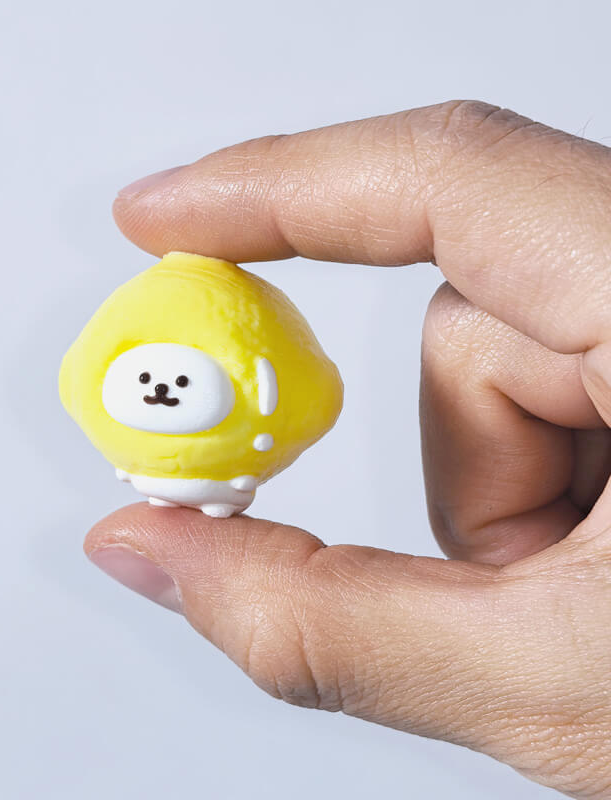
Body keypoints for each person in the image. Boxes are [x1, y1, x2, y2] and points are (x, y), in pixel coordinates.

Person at [85, 101, 611, 798]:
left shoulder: (265, 369)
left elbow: (314, 392)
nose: (159, 391)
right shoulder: (113, 349)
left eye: (174, 380)